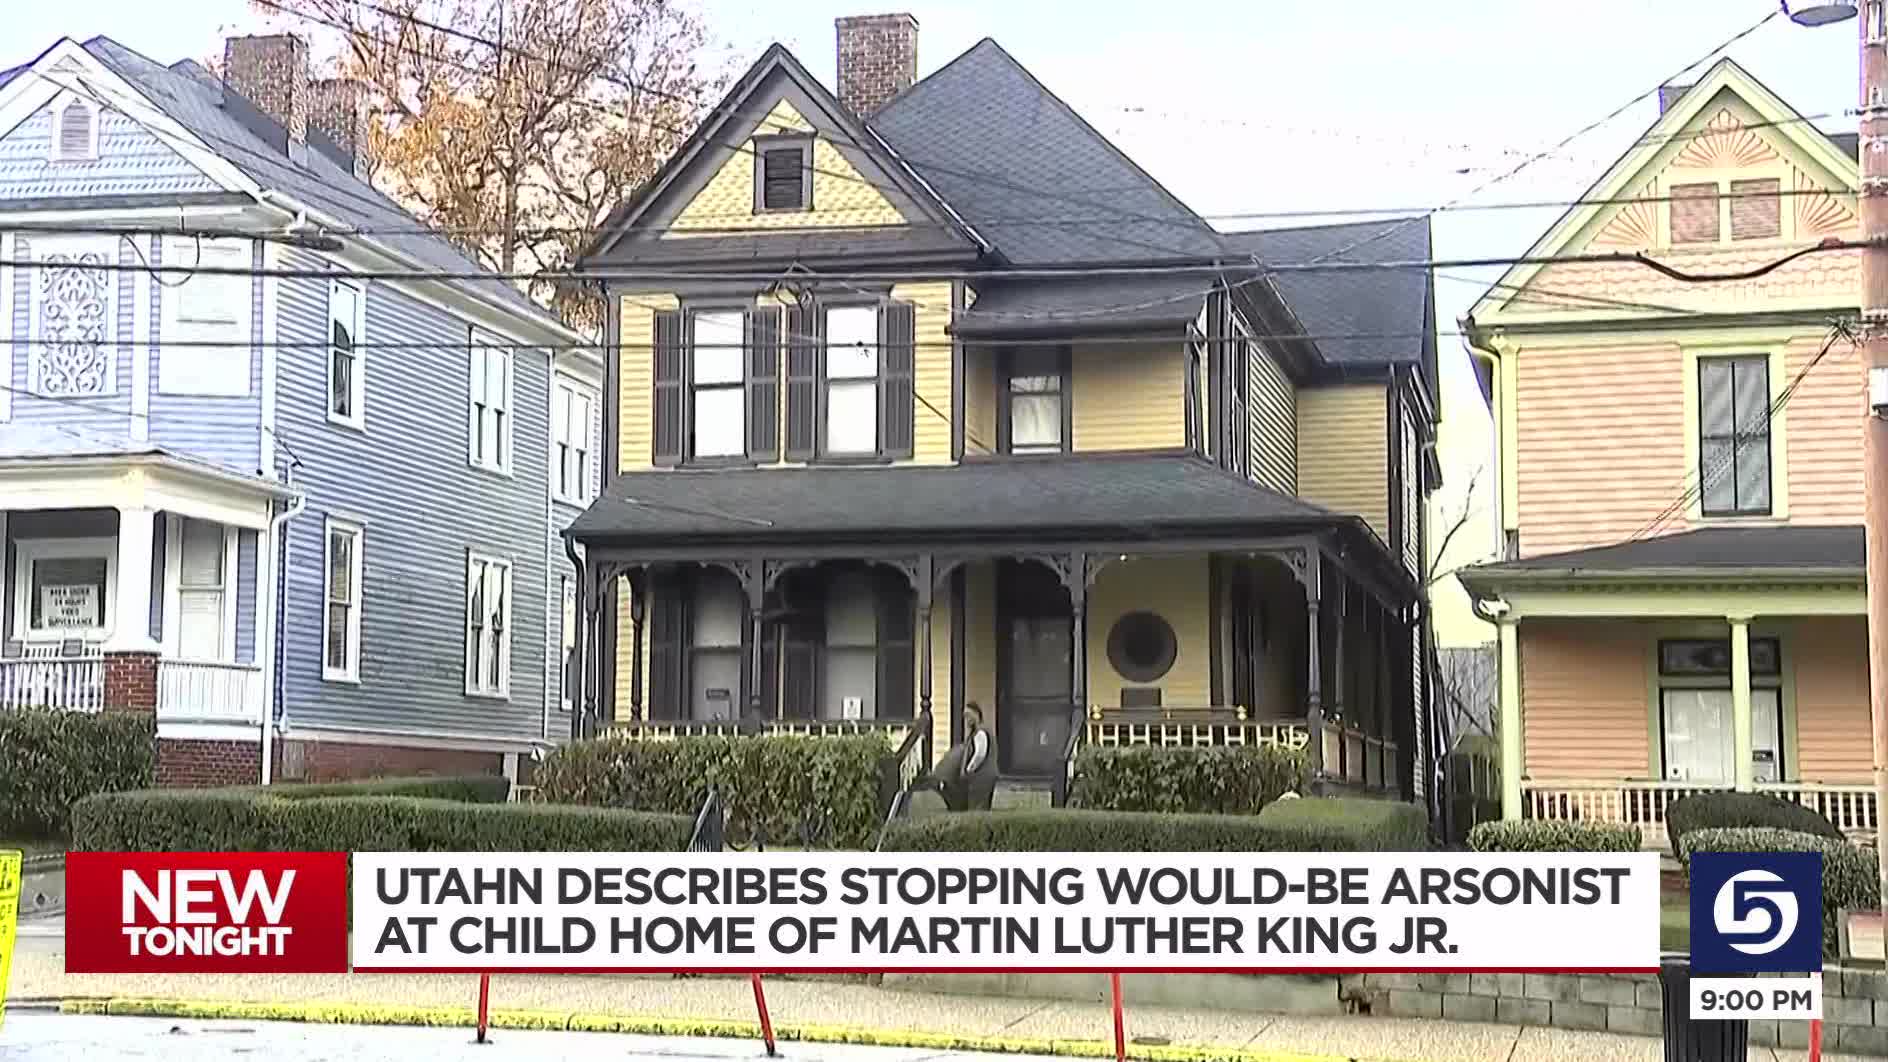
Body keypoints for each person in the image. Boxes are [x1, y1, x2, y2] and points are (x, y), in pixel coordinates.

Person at [928, 702, 996, 811]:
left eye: (969, 715)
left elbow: (980, 754)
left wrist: (969, 769)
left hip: (981, 777)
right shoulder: (974, 734)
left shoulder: (981, 733)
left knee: (978, 807)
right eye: (965, 716)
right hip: (979, 777)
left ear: (976, 714)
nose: (967, 719)